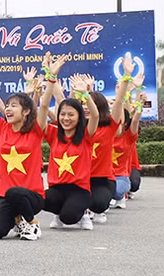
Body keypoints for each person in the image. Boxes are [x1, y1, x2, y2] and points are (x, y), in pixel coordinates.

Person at [0, 50, 58, 241]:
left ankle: (32, 224)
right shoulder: (2, 128)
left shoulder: (35, 130)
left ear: (26, 111)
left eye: (14, 106)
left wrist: (51, 78)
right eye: (7, 106)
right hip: (7, 195)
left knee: (15, 192)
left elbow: (43, 106)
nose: (8, 109)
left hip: (32, 195)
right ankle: (18, 221)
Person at [41, 73, 98, 230]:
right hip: (57, 188)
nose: (66, 118)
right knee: (38, 200)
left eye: (71, 115)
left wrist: (85, 93)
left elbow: (95, 115)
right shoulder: (53, 134)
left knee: (69, 217)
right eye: (63, 114)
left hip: (79, 189)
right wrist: (43, 90)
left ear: (79, 117)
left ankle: (83, 213)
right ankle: (58, 212)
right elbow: (43, 109)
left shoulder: (86, 135)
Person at [84, 53, 136, 224]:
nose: (86, 108)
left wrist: (126, 77)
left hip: (104, 179)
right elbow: (65, 102)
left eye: (89, 104)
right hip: (83, 179)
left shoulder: (109, 128)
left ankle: (100, 206)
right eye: (84, 105)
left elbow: (119, 101)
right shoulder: (80, 128)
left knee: (98, 203)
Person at [111, 93, 143, 209]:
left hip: (121, 176)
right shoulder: (105, 133)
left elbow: (134, 120)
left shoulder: (129, 136)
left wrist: (140, 104)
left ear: (125, 123)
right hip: (106, 175)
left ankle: (120, 196)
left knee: (115, 190)